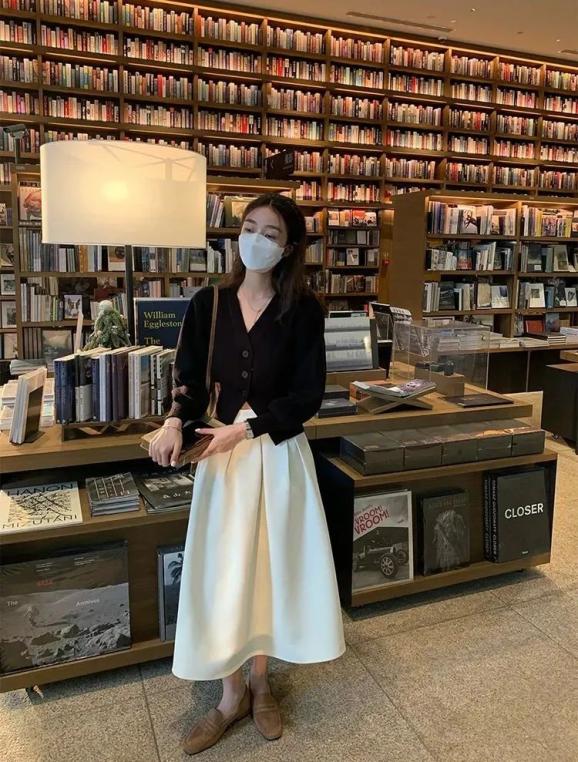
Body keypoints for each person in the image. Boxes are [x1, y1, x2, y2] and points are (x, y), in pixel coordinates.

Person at [149, 193, 345, 755]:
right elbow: (189, 381)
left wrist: (246, 430)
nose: (255, 239)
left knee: (268, 568)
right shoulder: (207, 303)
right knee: (224, 571)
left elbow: (307, 396)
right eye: (249, 227)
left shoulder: (303, 310)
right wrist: (173, 422)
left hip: (276, 454)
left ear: (289, 247)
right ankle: (229, 693)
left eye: (270, 233)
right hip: (221, 461)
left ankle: (261, 682)